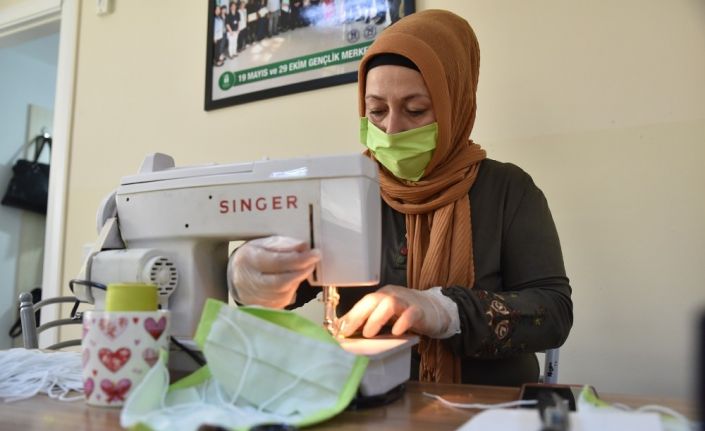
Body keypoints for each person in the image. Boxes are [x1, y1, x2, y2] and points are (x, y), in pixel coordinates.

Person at [228, 9, 573, 386]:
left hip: (487, 408)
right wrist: (249, 276)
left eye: (416, 110)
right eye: (376, 111)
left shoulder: (507, 189)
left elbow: (553, 313)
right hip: (365, 403)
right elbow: (285, 287)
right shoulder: (344, 191)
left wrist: (444, 309)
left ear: (453, 104)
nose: (391, 130)